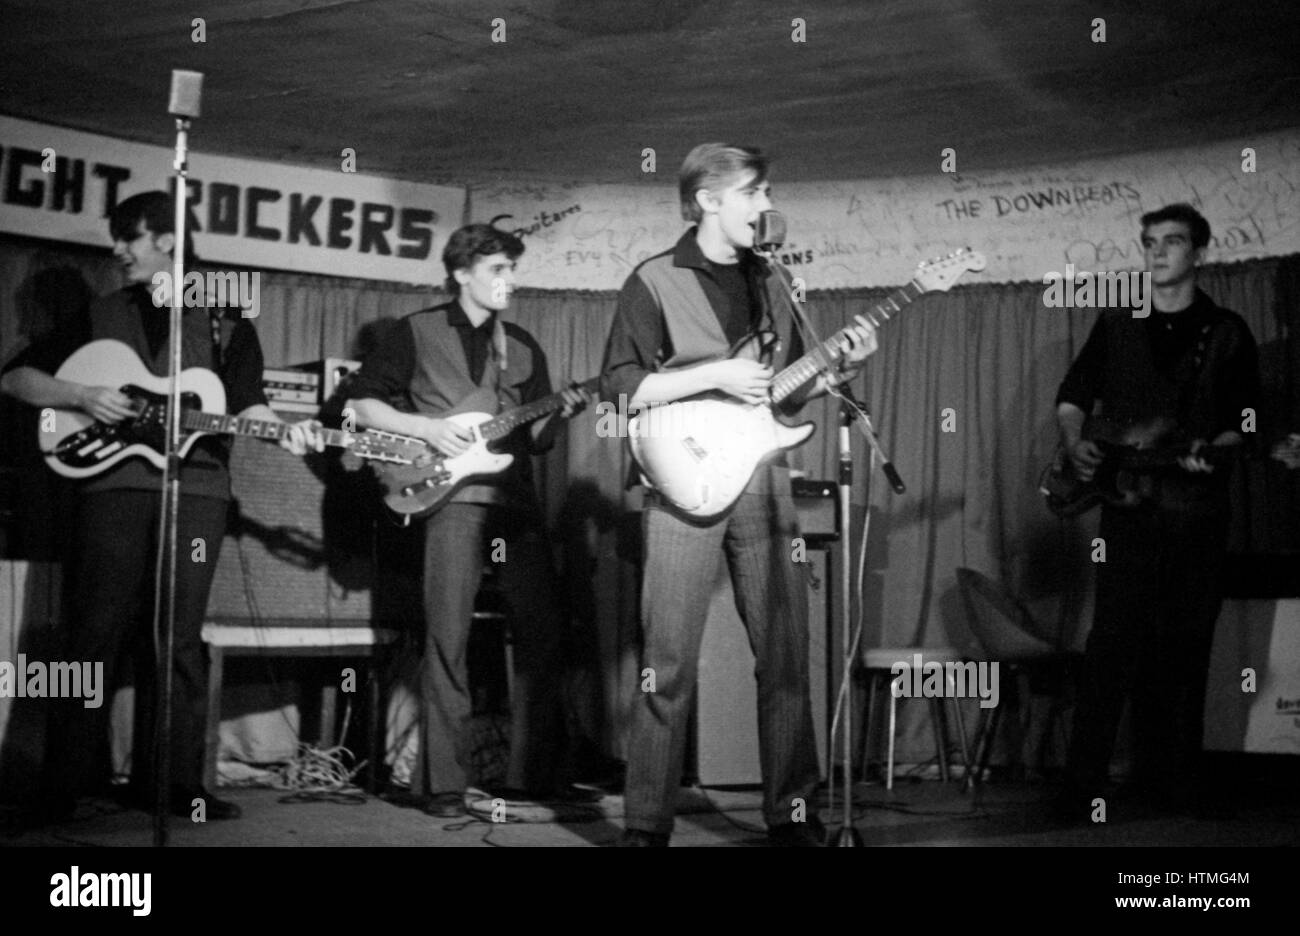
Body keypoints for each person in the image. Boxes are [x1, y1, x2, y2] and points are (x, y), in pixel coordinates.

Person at [1, 190, 321, 822]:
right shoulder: (101, 312)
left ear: (169, 241)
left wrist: (283, 428)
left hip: (197, 490)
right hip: (112, 491)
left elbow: (248, 402)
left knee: (177, 640)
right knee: (92, 635)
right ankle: (60, 787)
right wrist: (81, 394)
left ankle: (172, 785)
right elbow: (15, 379)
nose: (118, 250)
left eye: (130, 237)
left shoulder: (226, 316)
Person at [601, 143, 877, 846]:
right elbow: (621, 387)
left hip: (760, 476)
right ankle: (645, 827)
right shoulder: (655, 279)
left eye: (765, 191)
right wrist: (714, 375)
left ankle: (792, 814)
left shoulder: (775, 282)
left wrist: (833, 362)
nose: (765, 205)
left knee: (785, 653)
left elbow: (782, 392)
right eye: (752, 192)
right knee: (667, 661)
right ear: (708, 200)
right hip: (679, 479)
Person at [344, 222, 589, 818]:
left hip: (514, 505)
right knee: (447, 639)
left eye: (513, 269)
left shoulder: (524, 344)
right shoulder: (415, 331)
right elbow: (361, 405)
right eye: (498, 270)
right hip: (451, 501)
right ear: (460, 274)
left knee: (542, 634)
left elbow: (535, 439)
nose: (510, 281)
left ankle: (535, 776)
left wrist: (564, 413)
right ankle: (445, 787)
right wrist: (428, 428)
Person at [1055, 203, 1259, 819]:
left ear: (1199, 252)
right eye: (1149, 243)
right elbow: (1072, 395)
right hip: (1127, 506)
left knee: (1187, 643)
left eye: (1172, 242)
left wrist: (1215, 451)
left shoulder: (1227, 331)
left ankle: (1175, 784)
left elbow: (1243, 422)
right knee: (1112, 642)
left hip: (1197, 510)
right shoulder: (1119, 322)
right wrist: (1073, 441)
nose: (1158, 252)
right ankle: (1082, 785)